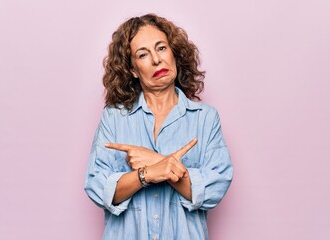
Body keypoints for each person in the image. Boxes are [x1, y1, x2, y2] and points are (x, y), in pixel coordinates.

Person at [84, 13, 233, 240]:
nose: (156, 60)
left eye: (161, 48)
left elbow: (214, 189)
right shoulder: (113, 118)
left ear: (174, 53)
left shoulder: (205, 118)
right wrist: (147, 174)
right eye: (143, 54)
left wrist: (154, 160)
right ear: (133, 70)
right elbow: (97, 187)